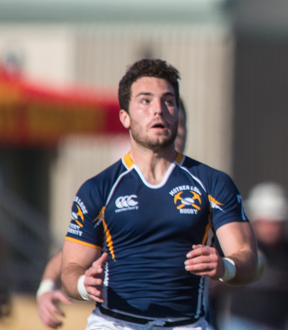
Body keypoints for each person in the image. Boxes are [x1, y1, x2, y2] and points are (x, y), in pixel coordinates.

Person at [60, 59, 259, 329]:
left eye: (168, 101)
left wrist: (225, 267)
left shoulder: (212, 183)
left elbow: (247, 257)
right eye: (145, 100)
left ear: (177, 112)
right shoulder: (99, 188)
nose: (158, 110)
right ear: (124, 117)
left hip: (186, 324)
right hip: (115, 323)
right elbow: (70, 268)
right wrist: (84, 284)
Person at [37, 99, 189, 329]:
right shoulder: (114, 189)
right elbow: (70, 253)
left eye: (178, 123)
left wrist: (226, 270)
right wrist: (46, 288)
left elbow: (240, 258)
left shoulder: (202, 188)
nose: (171, 130)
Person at [217, 182, 288, 330]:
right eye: (267, 222)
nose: (272, 228)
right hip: (240, 323)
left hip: (279, 323)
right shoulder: (239, 247)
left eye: (277, 222)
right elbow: (216, 283)